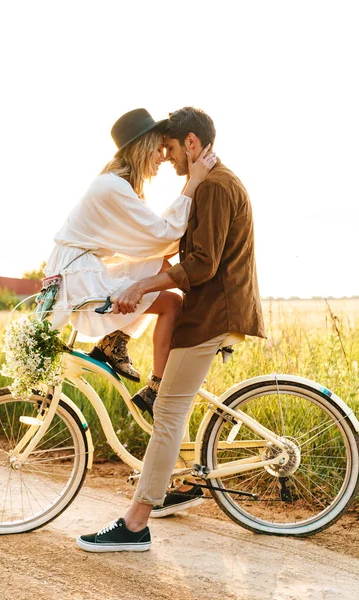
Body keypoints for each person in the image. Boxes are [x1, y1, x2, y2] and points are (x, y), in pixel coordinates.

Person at [76, 106, 266, 553]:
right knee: (172, 406)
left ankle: (135, 524)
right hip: (205, 312)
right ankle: (175, 488)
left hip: (213, 314)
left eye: (171, 147)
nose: (166, 155)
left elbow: (202, 263)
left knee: (167, 414)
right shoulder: (209, 184)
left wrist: (144, 283)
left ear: (192, 143)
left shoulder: (216, 187)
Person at [44, 108, 216, 404]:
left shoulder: (114, 184)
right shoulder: (111, 187)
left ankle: (116, 344)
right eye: (159, 149)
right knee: (170, 300)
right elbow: (161, 234)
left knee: (162, 276)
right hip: (78, 276)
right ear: (142, 148)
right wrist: (194, 182)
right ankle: (155, 388)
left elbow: (155, 241)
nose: (163, 157)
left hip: (80, 269)